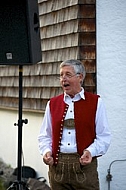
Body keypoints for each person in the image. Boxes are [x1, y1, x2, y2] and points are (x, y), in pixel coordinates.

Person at [38, 59, 111, 190]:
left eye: (68, 75)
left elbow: (104, 136)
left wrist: (91, 151)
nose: (63, 79)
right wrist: (46, 152)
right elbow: (45, 135)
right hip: (57, 169)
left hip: (84, 168)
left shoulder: (96, 102)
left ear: (80, 77)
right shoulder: (53, 103)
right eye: (61, 75)